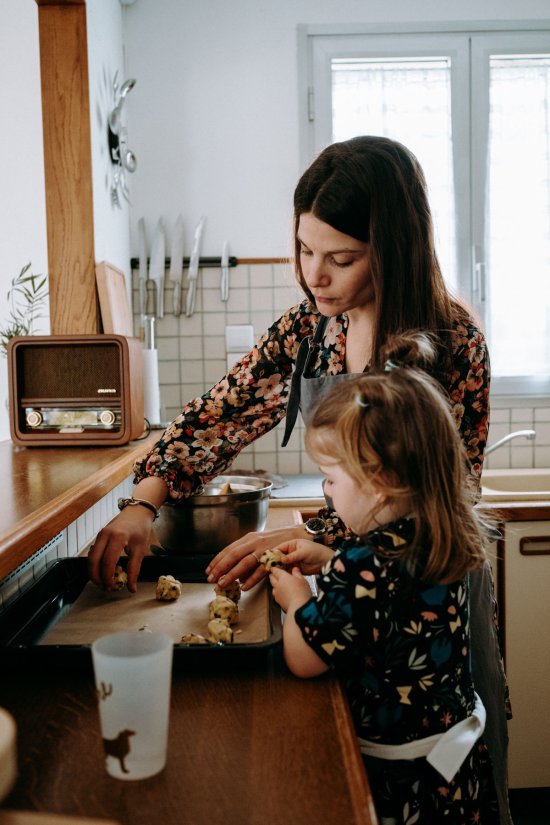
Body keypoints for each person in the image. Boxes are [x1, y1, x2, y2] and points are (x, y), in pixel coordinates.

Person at [88, 135, 512, 822]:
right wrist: (143, 502)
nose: (315, 274)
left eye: (340, 258)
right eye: (305, 250)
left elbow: (439, 503)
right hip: (354, 587)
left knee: (440, 765)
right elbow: (219, 415)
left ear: (394, 246)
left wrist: (317, 539)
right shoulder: (309, 332)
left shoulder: (451, 341)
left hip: (426, 598)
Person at [268, 332, 500, 823]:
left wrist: (293, 600)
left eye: (332, 478)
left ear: (379, 483)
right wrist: (330, 558)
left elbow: (305, 658)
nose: (328, 493)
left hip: (404, 782)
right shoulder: (441, 538)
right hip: (456, 771)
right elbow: (390, 604)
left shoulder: (362, 566)